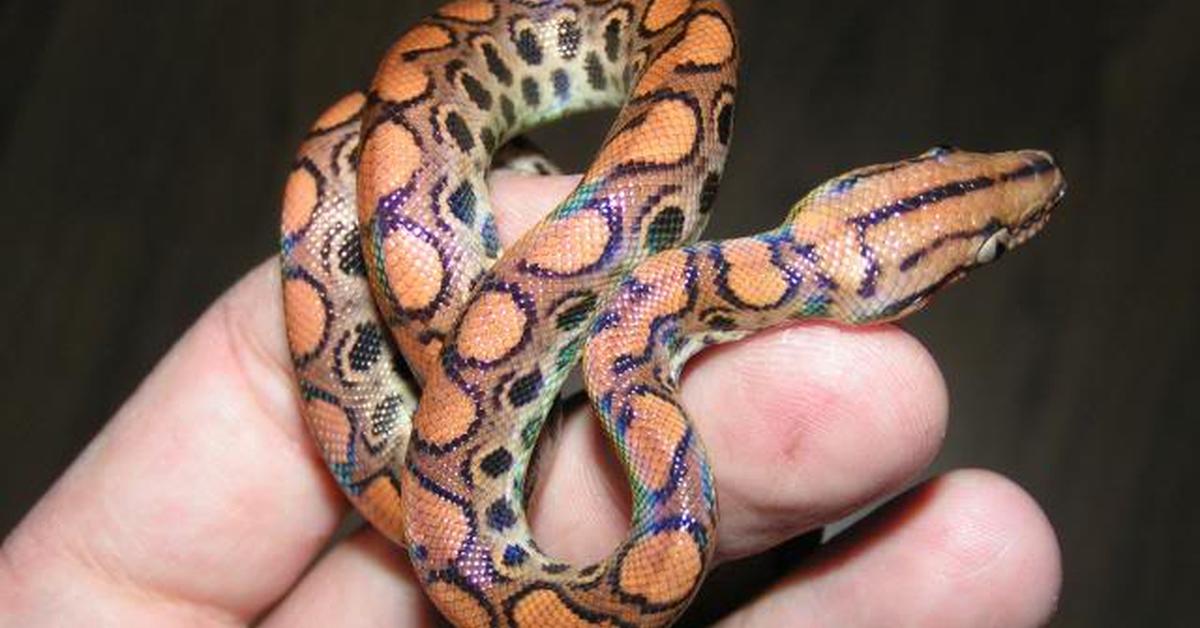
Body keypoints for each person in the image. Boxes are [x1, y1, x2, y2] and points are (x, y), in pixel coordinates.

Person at [0, 172, 1060, 626]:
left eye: (990, 235)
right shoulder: (647, 327)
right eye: (994, 240)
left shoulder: (645, 329)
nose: (1015, 208)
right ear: (834, 204)